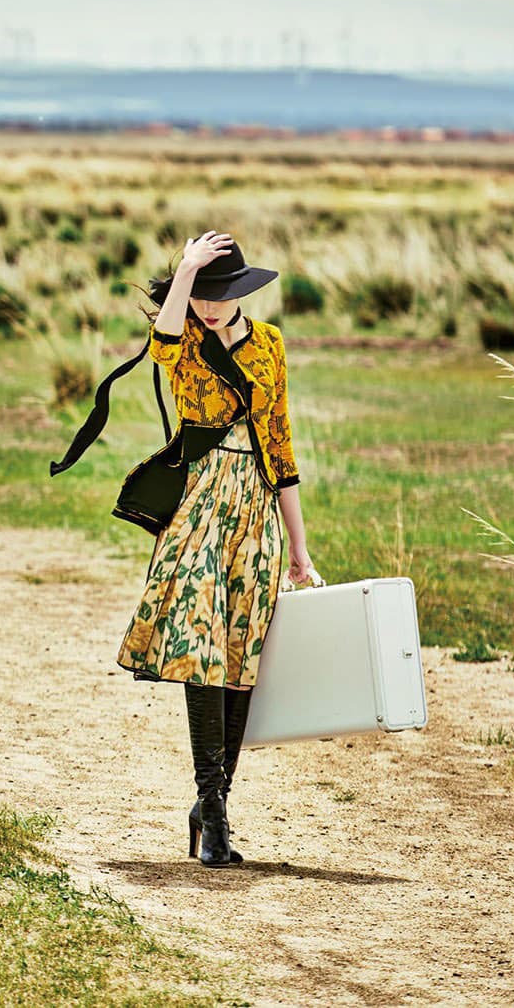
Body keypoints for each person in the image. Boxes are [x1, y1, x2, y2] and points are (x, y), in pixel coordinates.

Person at [117, 230, 316, 868]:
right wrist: (184, 271)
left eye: (220, 293)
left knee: (240, 657)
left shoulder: (270, 345)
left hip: (256, 505)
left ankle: (213, 804)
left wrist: (300, 550)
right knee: (201, 649)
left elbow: (279, 441)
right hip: (200, 501)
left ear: (242, 292)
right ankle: (217, 811)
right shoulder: (181, 340)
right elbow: (163, 344)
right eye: (202, 292)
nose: (210, 304)